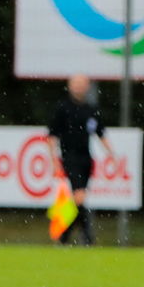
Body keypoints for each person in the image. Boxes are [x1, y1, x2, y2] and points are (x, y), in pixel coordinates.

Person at [47, 74, 114, 246]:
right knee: (80, 197)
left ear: (87, 87)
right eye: (75, 84)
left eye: (82, 84)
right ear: (69, 86)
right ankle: (88, 237)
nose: (78, 87)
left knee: (78, 200)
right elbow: (52, 136)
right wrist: (54, 161)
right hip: (70, 157)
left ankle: (64, 237)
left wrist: (111, 155)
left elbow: (100, 133)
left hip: (86, 159)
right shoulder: (62, 108)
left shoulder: (90, 109)